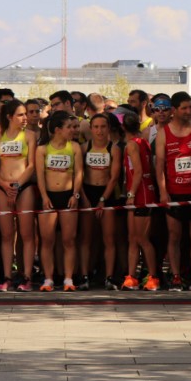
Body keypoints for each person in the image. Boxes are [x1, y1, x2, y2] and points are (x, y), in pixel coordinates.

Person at [156, 91, 191, 292]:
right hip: (174, 192)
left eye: (190, 108)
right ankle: (176, 275)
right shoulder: (164, 133)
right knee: (174, 235)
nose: (188, 111)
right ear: (174, 110)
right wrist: (163, 191)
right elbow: (159, 165)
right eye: (184, 108)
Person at [0, 99, 37, 292]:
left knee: (26, 235)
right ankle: (7, 277)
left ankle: (26, 276)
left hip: (23, 187)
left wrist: (16, 185)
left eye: (25, 114)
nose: (25, 118)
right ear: (9, 117)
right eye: (20, 114)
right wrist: (3, 184)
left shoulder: (29, 136)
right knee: (7, 235)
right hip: (3, 187)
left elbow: (31, 165)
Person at [36, 111, 82, 291]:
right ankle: (48, 279)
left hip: (68, 196)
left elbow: (79, 173)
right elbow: (40, 175)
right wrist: (44, 197)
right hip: (49, 196)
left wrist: (75, 194)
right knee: (47, 241)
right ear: (57, 130)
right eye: (69, 127)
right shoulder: (42, 150)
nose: (73, 130)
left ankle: (68, 279)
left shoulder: (75, 147)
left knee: (69, 240)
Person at [79, 111, 121, 291]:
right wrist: (85, 198)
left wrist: (103, 199)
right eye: (96, 127)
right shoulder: (84, 147)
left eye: (103, 127)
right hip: (88, 193)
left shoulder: (114, 149)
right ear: (91, 129)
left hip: (107, 193)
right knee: (86, 238)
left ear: (108, 129)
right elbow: (78, 175)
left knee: (108, 238)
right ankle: (84, 276)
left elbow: (114, 177)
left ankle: (109, 277)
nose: (99, 131)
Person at [120, 109, 159, 291]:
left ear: (122, 127)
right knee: (132, 238)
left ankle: (153, 278)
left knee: (143, 239)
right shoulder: (143, 141)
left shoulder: (132, 145)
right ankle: (131, 277)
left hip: (140, 195)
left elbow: (138, 172)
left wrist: (131, 195)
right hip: (143, 193)